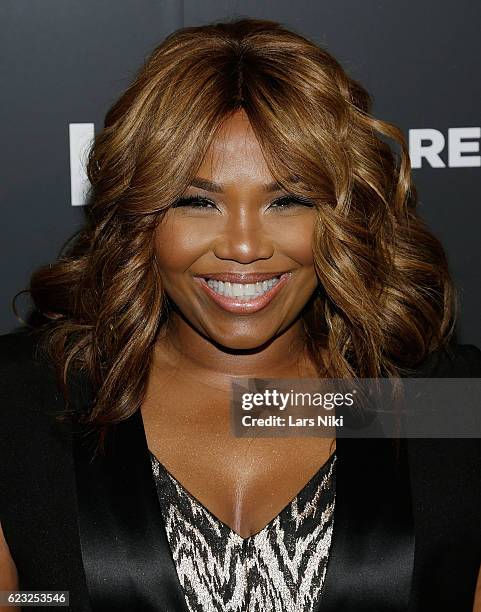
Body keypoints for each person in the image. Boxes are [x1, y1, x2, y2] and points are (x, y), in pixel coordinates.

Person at [0, 17, 480, 612]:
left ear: (341, 212)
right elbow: (30, 596)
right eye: (198, 201)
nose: (244, 246)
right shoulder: (24, 396)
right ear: (141, 214)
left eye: (287, 200)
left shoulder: (449, 402)